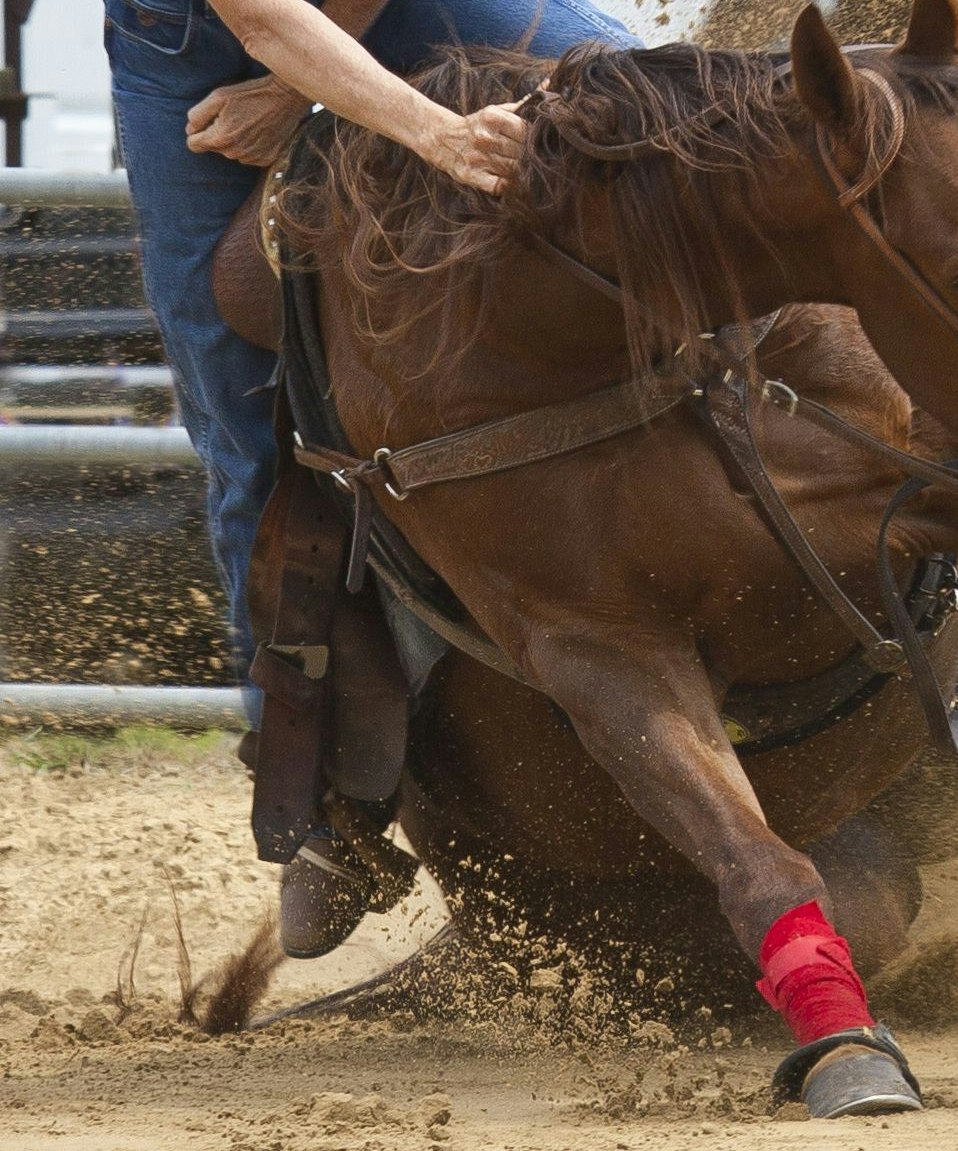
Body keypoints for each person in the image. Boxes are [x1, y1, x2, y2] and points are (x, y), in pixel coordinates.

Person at [106, 0, 639, 957]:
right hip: (194, 35)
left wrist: (297, 87)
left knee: (651, 98)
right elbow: (267, 16)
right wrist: (439, 135)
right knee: (243, 409)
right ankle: (315, 798)